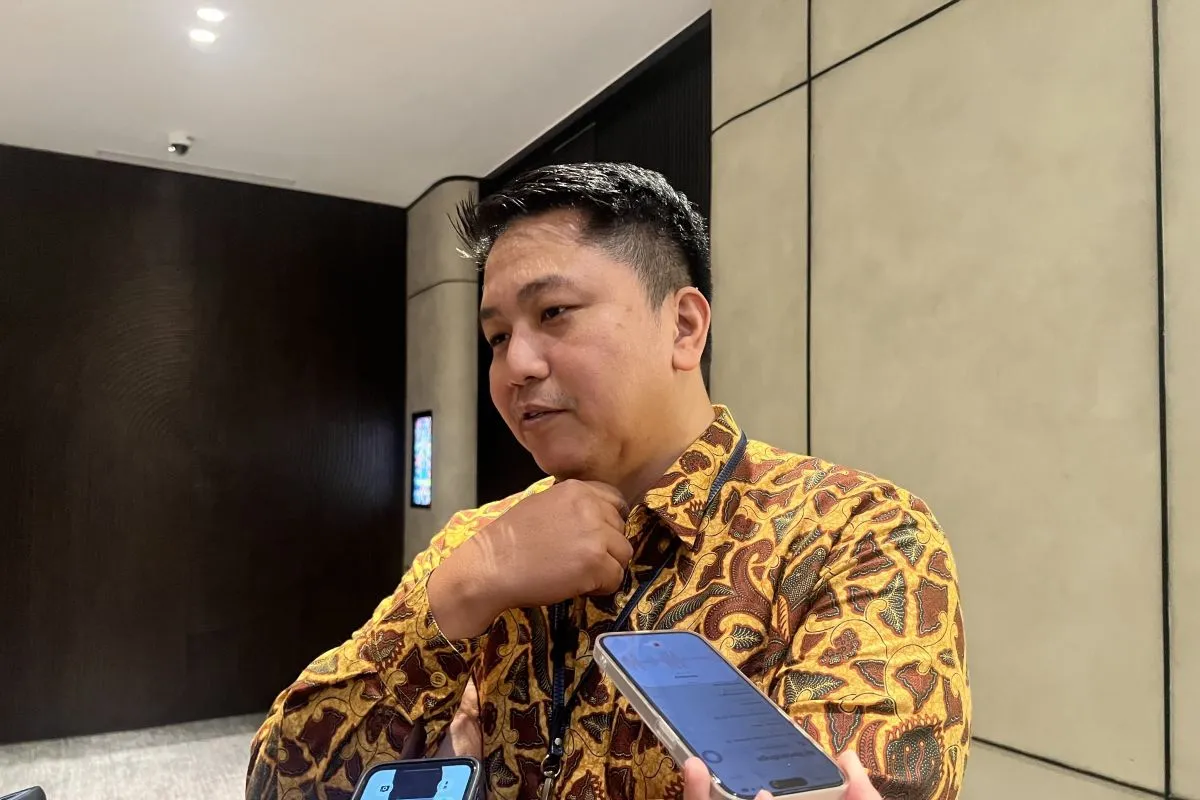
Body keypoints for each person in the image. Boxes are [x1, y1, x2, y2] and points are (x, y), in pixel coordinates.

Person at [246, 163, 970, 800]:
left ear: (683, 327)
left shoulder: (857, 534)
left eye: (554, 313)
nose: (515, 366)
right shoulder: (478, 541)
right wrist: (465, 592)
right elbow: (281, 781)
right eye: (497, 337)